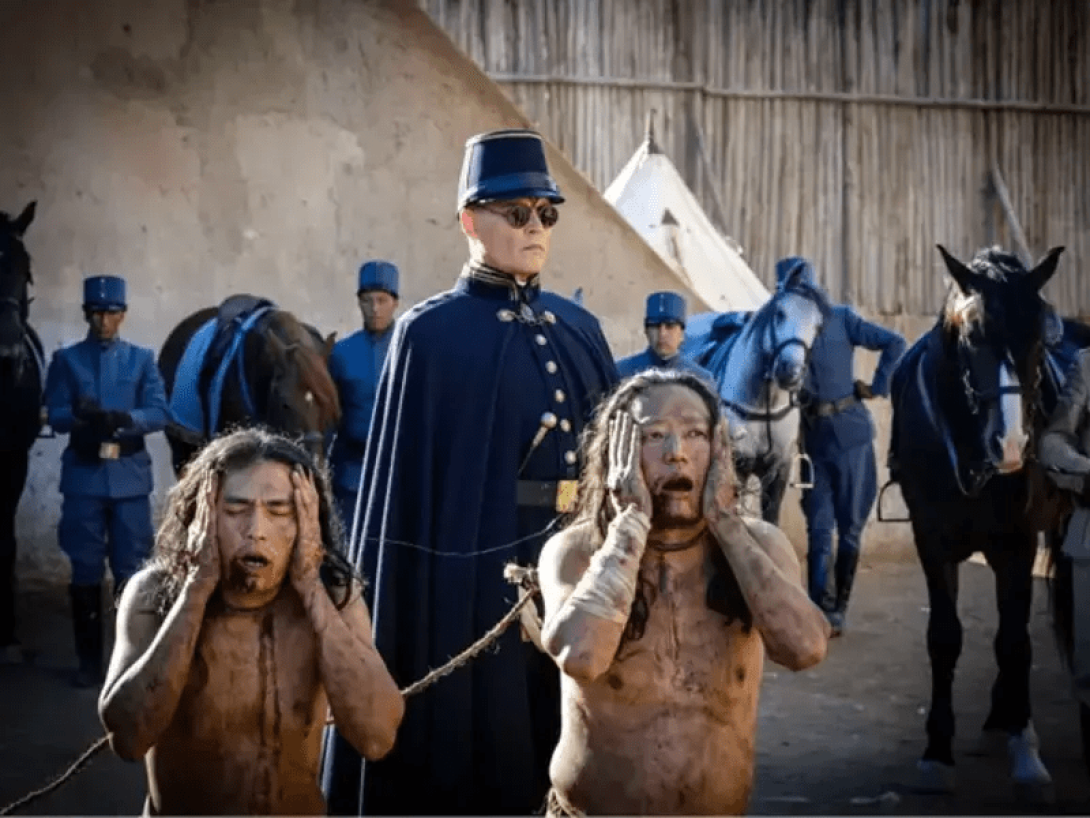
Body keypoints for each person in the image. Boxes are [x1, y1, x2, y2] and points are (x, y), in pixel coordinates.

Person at [321, 128, 619, 816]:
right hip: (471, 587)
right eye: (516, 212)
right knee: (487, 751)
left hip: (580, 576)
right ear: (469, 221)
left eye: (546, 213)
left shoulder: (580, 329)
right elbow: (403, 500)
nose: (534, 226)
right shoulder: (429, 335)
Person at [537, 369, 829, 816]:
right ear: (618, 453)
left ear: (719, 449)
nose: (676, 453)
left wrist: (726, 523)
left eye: (695, 434)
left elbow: (805, 649)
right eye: (654, 436)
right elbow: (582, 657)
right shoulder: (576, 551)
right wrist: (628, 528)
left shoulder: (760, 545)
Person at [98, 428, 405, 816]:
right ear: (201, 516)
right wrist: (196, 589)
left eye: (279, 511)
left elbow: (376, 738)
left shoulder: (334, 597)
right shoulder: (154, 594)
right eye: (235, 510)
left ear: (307, 520)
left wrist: (311, 589)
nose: (257, 531)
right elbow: (128, 739)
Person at [43, 275, 169, 687]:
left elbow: (159, 412)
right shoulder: (67, 360)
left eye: (111, 313)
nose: (103, 321)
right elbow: (54, 413)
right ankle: (88, 663)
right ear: (86, 315)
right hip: (84, 478)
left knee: (132, 569)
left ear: (123, 314)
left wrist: (125, 419)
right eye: (96, 313)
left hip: (129, 480)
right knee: (85, 567)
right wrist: (78, 416)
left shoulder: (141, 359)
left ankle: (130, 661)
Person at [790, 257, 906, 636]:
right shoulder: (786, 333)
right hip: (813, 443)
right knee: (818, 531)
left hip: (852, 438)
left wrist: (878, 386)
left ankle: (838, 608)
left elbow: (894, 342)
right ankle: (818, 611)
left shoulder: (841, 318)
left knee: (850, 529)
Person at [328, 260, 400, 531]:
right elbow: (328, 415)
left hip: (399, 475)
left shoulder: (413, 349)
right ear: (359, 303)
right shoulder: (342, 353)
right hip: (350, 478)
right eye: (368, 301)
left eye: (382, 300)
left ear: (395, 303)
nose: (375, 308)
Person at [615, 291, 715, 381]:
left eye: (670, 326)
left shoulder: (701, 379)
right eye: (655, 326)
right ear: (646, 331)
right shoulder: (621, 372)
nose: (662, 333)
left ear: (681, 332)